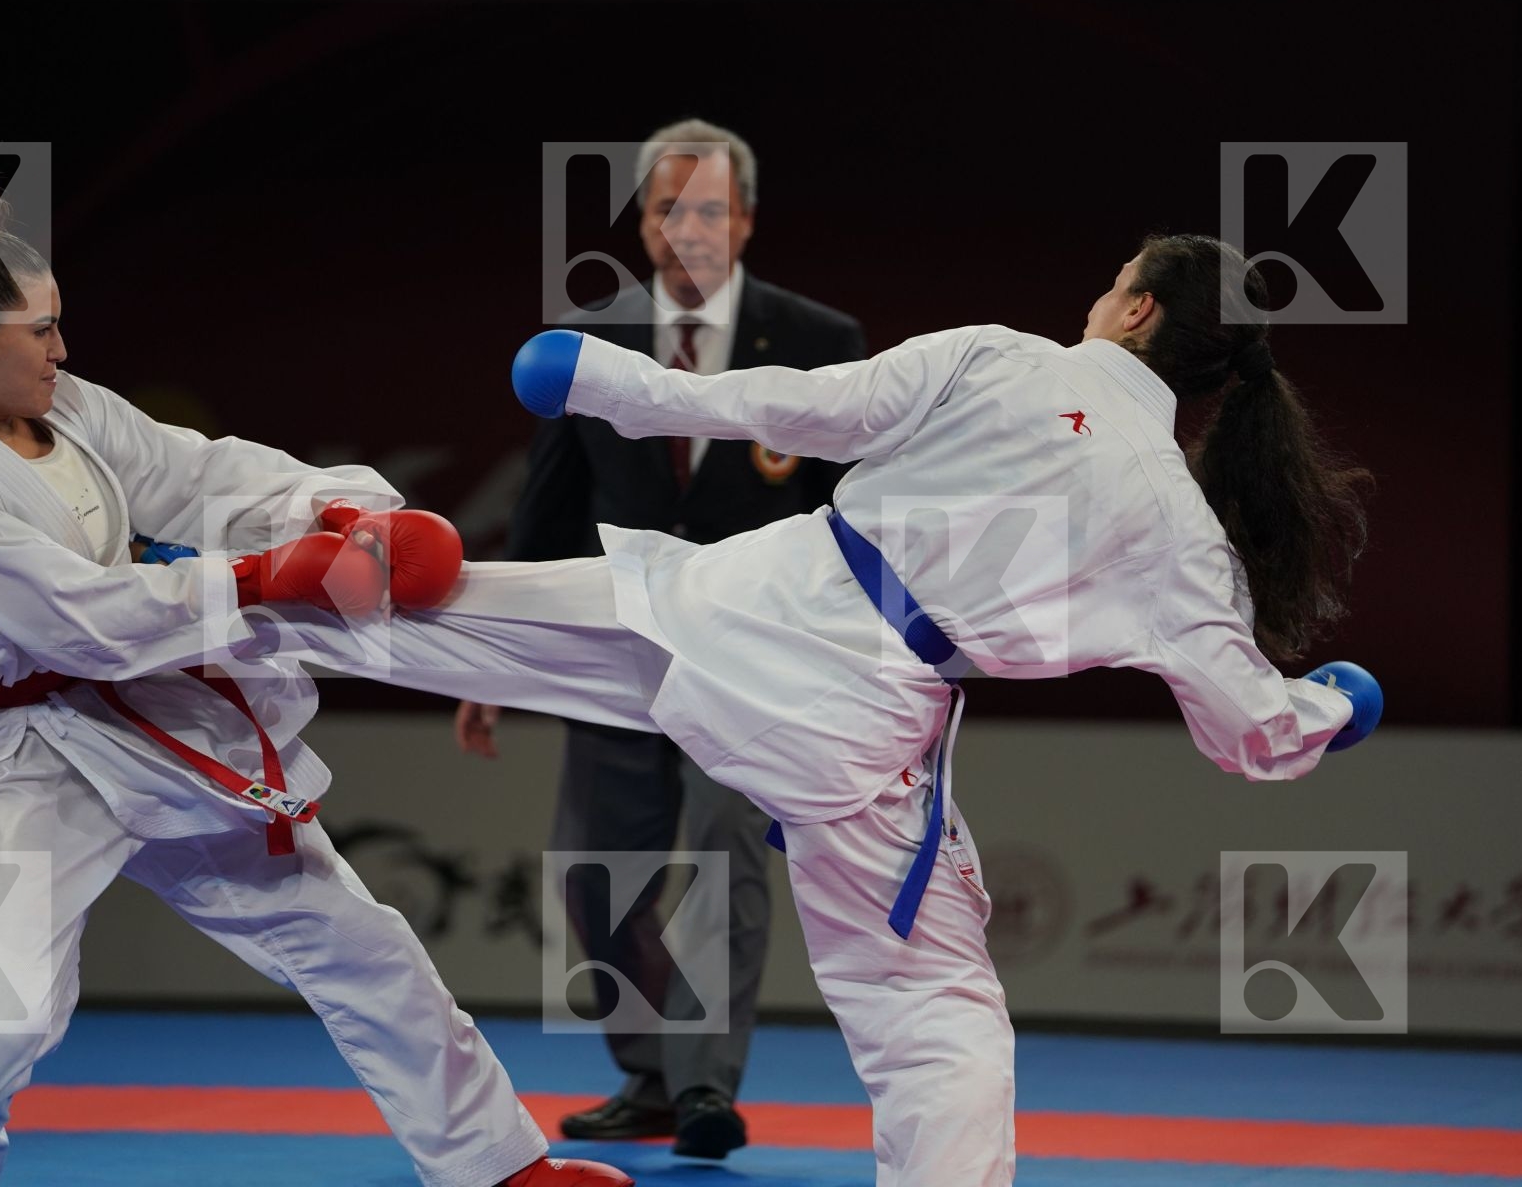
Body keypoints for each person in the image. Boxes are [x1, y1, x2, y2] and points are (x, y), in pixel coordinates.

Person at [267, 232, 1382, 1186]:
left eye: (1115, 281)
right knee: (935, 1013)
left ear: (1136, 308)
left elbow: (795, 405)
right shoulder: (1184, 533)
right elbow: (1249, 729)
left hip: (749, 605)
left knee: (456, 611)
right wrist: (1333, 705)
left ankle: (212, 595)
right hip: (868, 727)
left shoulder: (1005, 358)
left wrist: (603, 379)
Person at [0, 169, 632, 1187]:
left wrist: (336, 512)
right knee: (3, 1024)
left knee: (364, 947)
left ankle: (500, 1166)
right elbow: (78, 622)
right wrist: (265, 578)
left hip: (164, 727)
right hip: (32, 759)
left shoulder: (72, 410)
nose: (62, 349)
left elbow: (204, 475)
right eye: (41, 331)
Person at [456, 117, 864, 1159]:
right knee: (595, 875)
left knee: (726, 854)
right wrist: (493, 656)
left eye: (711, 211)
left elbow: (859, 518)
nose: (690, 230)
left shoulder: (820, 343)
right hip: (619, 653)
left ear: (746, 223)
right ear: (642, 225)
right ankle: (649, 1071)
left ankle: (702, 1093)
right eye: (669, 209)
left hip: (756, 657)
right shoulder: (586, 348)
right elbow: (548, 516)